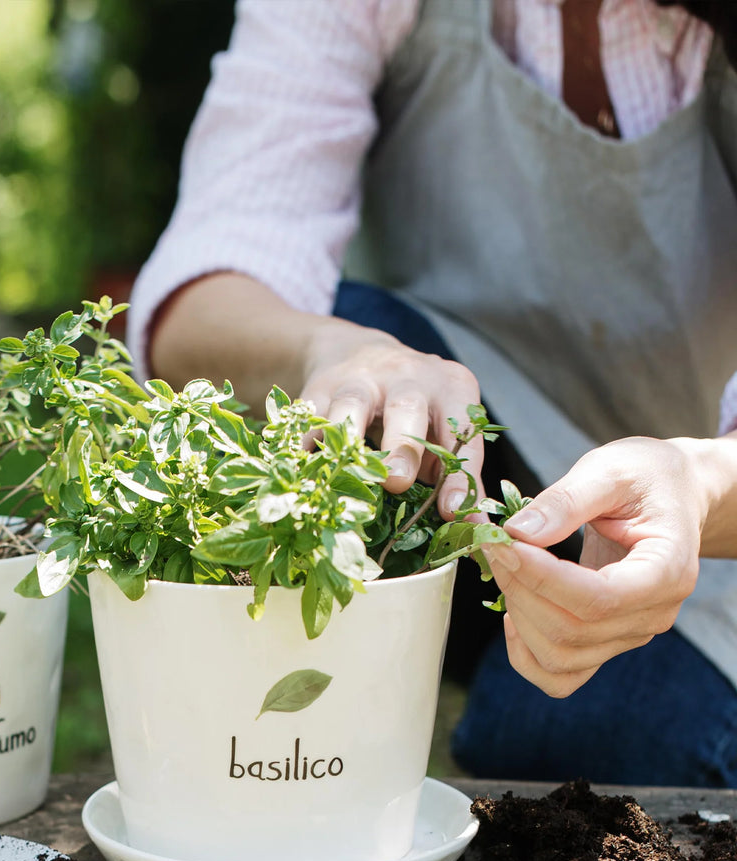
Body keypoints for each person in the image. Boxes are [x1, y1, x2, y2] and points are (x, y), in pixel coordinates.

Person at [125, 0, 737, 786]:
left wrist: (694, 490)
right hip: (479, 450)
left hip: (709, 506)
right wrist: (343, 350)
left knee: (587, 731)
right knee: (351, 338)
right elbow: (204, 292)